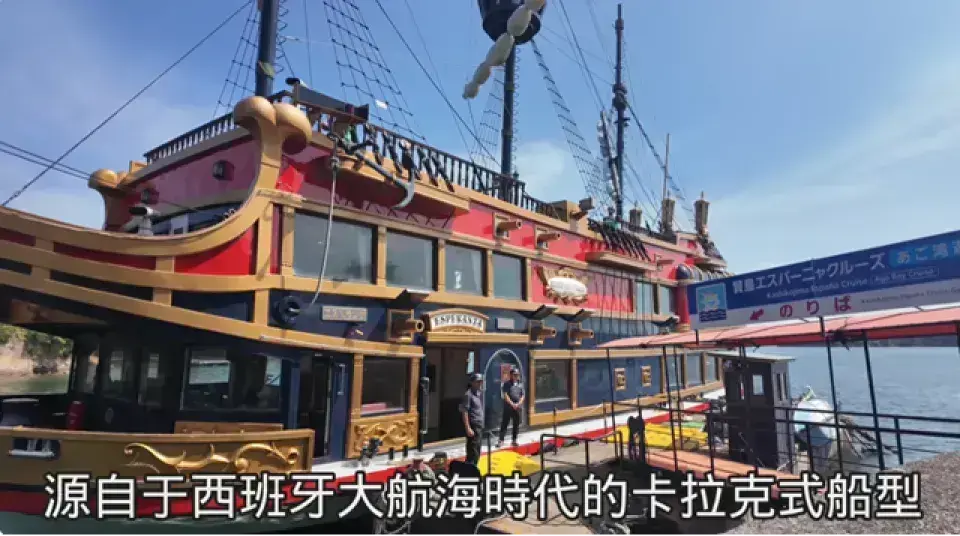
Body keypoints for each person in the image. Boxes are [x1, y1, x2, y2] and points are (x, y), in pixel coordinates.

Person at [460, 373, 485, 466]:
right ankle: (470, 468)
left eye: (481, 382)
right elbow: (464, 411)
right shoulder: (468, 395)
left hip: (479, 425)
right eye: (478, 382)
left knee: (477, 449)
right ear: (472, 383)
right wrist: (468, 428)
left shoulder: (479, 393)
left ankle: (474, 467)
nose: (480, 384)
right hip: (473, 425)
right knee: (473, 450)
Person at [497, 367, 525, 448]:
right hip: (508, 407)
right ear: (511, 375)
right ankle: (501, 440)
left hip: (517, 408)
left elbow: (523, 396)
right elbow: (505, 395)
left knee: (516, 424)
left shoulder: (520, 384)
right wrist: (512, 404)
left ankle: (514, 440)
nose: (516, 376)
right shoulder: (507, 384)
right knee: (504, 424)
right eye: (514, 375)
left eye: (517, 375)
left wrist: (518, 404)